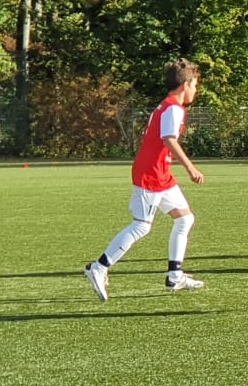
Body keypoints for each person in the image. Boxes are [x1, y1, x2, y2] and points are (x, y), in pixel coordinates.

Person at [83, 59, 206, 301]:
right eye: (194, 85)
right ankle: (99, 267)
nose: (195, 90)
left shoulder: (168, 106)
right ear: (185, 85)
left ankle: (175, 275)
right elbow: (169, 139)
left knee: (185, 218)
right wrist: (191, 168)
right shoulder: (173, 108)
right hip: (151, 173)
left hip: (161, 174)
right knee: (141, 225)